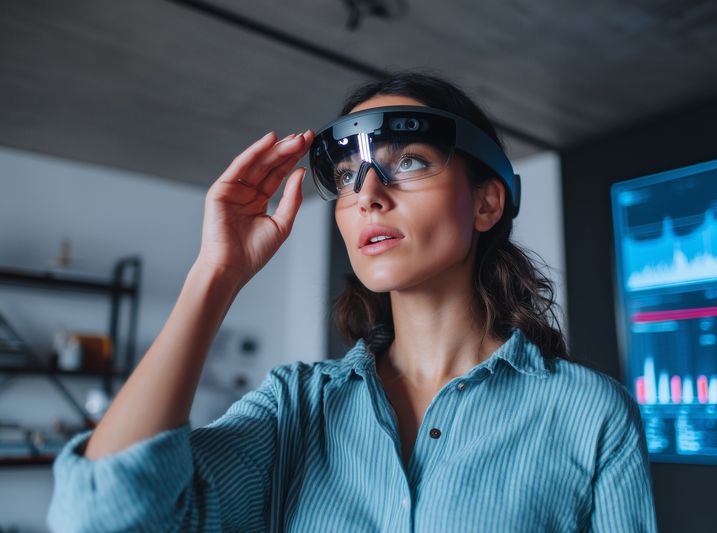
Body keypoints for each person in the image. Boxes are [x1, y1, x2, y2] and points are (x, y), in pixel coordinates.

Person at [47, 72, 657, 532]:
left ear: (487, 203)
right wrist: (216, 275)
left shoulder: (590, 416)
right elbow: (96, 516)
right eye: (346, 176)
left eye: (409, 161)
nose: (367, 193)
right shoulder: (295, 409)